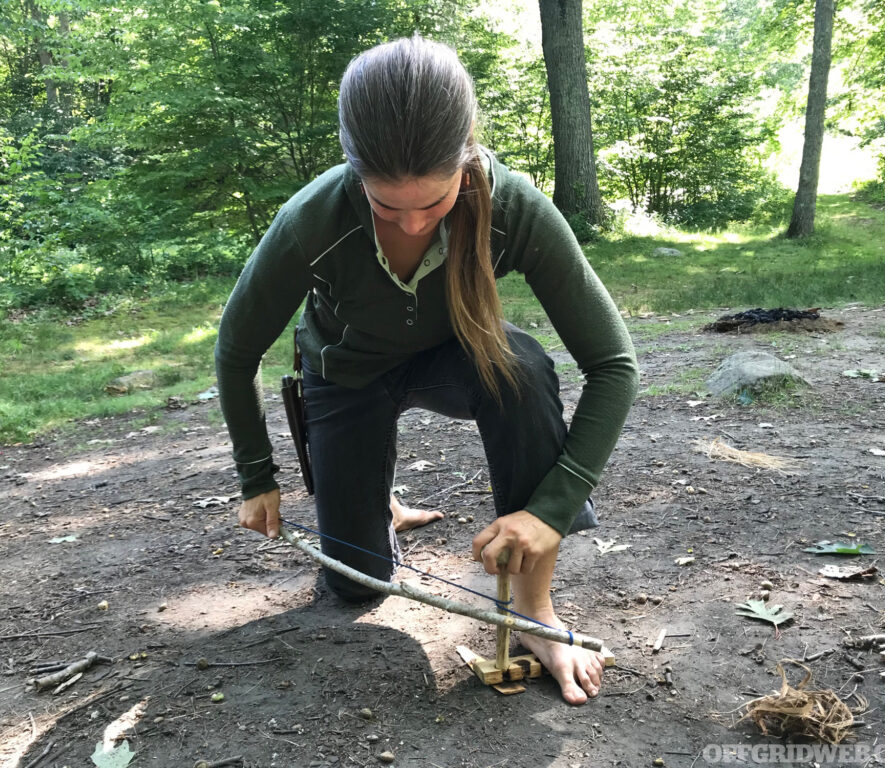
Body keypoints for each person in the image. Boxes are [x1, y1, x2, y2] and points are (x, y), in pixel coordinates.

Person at [215, 36, 639, 705]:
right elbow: (236, 351)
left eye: (434, 203)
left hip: (453, 355)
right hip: (347, 373)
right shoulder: (310, 221)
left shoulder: (514, 206)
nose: (412, 224)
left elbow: (614, 365)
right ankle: (376, 505)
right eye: (387, 207)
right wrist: (255, 476)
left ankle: (533, 612)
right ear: (355, 172)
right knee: (359, 586)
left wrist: (549, 512)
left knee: (522, 367)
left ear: (466, 157)